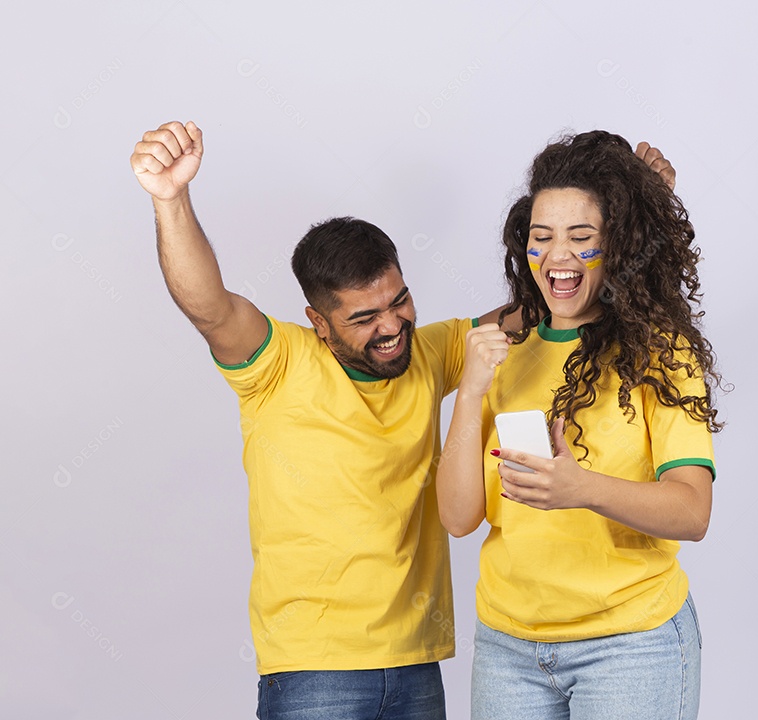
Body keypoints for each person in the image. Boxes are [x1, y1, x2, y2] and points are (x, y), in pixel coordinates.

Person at [129, 121, 676, 719]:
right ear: (319, 321)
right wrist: (171, 199)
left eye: (399, 302)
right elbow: (208, 306)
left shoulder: (430, 351)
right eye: (364, 318)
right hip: (314, 671)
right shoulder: (278, 364)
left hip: (418, 664)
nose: (391, 327)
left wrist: (634, 216)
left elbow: (559, 297)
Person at [436, 130, 723, 719]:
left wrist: (581, 489)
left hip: (631, 644)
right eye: (541, 239)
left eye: (581, 238)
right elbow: (458, 518)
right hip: (507, 647)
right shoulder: (505, 350)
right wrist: (468, 394)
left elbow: (692, 513)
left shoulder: (658, 353)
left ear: (616, 245)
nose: (557, 257)